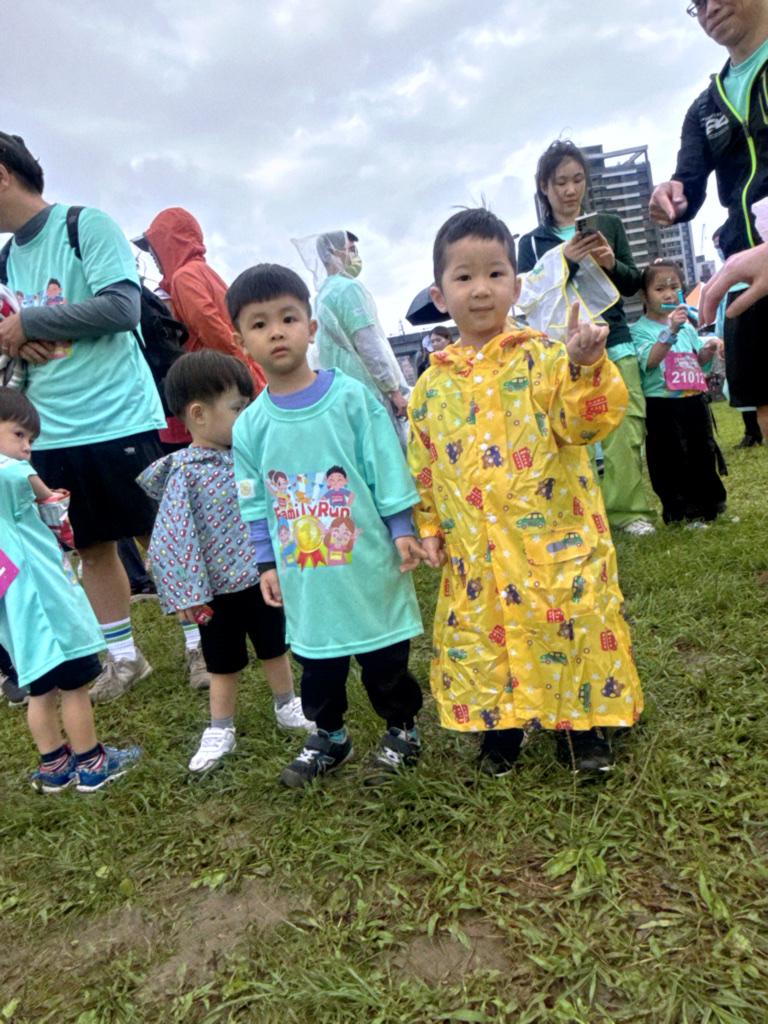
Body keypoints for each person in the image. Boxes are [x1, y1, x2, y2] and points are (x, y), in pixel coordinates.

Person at [408, 208, 643, 776]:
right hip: (477, 548)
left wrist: (586, 368)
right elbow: (423, 463)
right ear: (440, 295)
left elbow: (585, 424)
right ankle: (501, 729)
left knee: (569, 624)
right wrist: (429, 525)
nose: (480, 289)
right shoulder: (430, 387)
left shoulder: (547, 357)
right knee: (484, 636)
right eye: (464, 277)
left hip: (553, 538)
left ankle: (582, 727)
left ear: (516, 286)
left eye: (495, 274)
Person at [228, 264, 427, 788]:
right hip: (306, 577)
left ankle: (402, 730)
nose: (276, 332)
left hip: (367, 564)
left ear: (311, 328)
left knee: (384, 657)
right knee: (317, 661)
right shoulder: (250, 427)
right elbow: (254, 502)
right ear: (241, 341)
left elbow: (385, 465)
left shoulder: (351, 399)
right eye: (259, 324)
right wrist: (266, 562)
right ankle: (330, 735)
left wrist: (401, 527)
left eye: (288, 318)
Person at [0, 132, 165, 703]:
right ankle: (124, 657)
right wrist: (15, 337)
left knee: (156, 535)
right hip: (50, 427)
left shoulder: (84, 225)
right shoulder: (5, 259)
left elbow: (122, 306)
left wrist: (31, 324)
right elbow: (9, 332)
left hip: (117, 415)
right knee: (90, 547)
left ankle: (201, 642)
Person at [137, 350, 314, 772]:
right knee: (221, 662)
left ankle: (287, 703)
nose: (248, 416)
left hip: (262, 577)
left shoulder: (250, 456)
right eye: (238, 408)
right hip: (213, 589)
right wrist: (186, 592)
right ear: (198, 414)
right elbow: (173, 537)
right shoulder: (186, 473)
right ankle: (220, 726)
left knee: (275, 645)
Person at [133, 207, 269, 688]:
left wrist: (211, 378)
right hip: (233, 386)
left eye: (153, 245)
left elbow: (211, 327)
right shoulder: (204, 270)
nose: (152, 255)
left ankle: (208, 623)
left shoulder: (185, 276)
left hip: (210, 394)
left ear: (167, 241)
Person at [0, 388, 141, 791]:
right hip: (47, 604)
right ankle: (92, 762)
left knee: (40, 691)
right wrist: (51, 496)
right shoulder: (12, 471)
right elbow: (43, 494)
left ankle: (54, 765)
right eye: (18, 435)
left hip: (20, 616)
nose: (27, 447)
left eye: (31, 439)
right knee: (74, 687)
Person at [519, 140, 656, 538]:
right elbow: (526, 296)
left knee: (625, 425)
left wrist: (610, 263)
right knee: (569, 429)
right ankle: (580, 512)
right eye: (560, 182)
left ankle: (627, 512)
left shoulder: (608, 225)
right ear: (544, 187)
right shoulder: (531, 243)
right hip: (564, 349)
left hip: (613, 337)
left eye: (577, 179)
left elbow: (633, 284)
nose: (570, 190)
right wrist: (565, 260)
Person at [649, 0, 768, 439]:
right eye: (697, 3)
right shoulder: (704, 108)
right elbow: (689, 185)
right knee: (765, 405)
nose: (710, 8)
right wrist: (671, 196)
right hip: (744, 272)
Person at [292, 230, 411, 446]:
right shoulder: (348, 289)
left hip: (343, 398)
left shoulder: (321, 298)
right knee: (389, 454)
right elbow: (369, 344)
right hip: (371, 396)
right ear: (334, 252)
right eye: (351, 250)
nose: (356, 256)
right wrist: (393, 390)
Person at [631, 262, 727, 525]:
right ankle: (682, 511)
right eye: (660, 289)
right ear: (644, 295)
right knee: (672, 458)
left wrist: (710, 347)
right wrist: (671, 330)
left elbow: (698, 359)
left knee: (703, 451)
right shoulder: (639, 330)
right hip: (662, 405)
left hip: (694, 399)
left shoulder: (687, 327)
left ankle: (712, 506)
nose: (669, 294)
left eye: (675, 287)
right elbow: (651, 360)